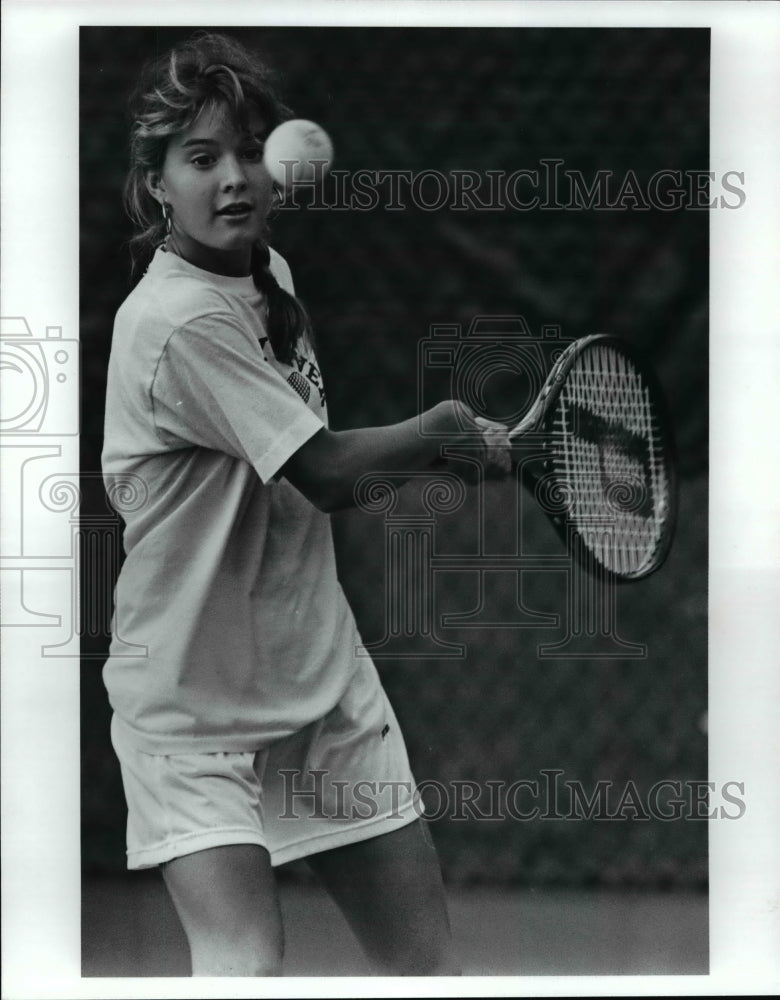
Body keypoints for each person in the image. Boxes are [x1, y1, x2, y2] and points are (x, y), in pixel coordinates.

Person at [102, 31, 511, 977]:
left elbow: (300, 484)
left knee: (426, 971)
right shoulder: (177, 321)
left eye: (250, 148)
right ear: (157, 181)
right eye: (202, 158)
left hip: (320, 692)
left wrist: (439, 460)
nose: (236, 176)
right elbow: (323, 469)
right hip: (192, 719)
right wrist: (442, 430)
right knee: (242, 967)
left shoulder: (266, 277)